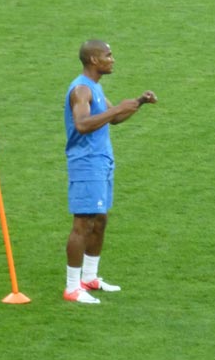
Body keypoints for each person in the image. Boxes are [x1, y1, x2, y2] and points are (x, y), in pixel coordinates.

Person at [63, 40, 157, 304]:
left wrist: (138, 102)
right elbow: (81, 124)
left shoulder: (96, 88)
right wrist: (116, 108)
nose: (112, 59)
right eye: (108, 55)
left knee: (100, 220)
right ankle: (72, 287)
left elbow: (113, 118)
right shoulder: (81, 90)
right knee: (82, 224)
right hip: (86, 162)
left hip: (102, 161)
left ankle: (90, 277)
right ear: (94, 60)